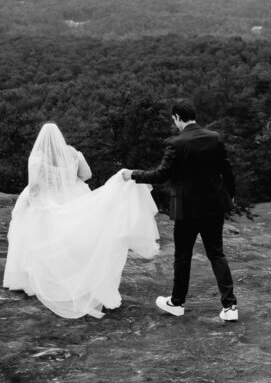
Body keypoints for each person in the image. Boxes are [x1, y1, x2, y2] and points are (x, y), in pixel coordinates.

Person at [2, 122, 159, 319]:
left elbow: (33, 186)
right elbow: (86, 175)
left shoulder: (38, 157)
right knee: (74, 239)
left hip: (47, 199)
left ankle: (40, 280)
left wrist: (32, 204)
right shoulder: (73, 152)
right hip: (72, 195)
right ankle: (75, 278)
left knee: (36, 236)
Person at [122, 99, 238, 321]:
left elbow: (160, 175)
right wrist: (229, 194)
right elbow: (227, 169)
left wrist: (133, 174)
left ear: (176, 117)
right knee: (216, 253)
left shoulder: (176, 144)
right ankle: (230, 307)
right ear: (193, 115)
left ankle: (177, 303)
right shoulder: (214, 138)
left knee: (183, 256)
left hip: (186, 210)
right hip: (214, 206)